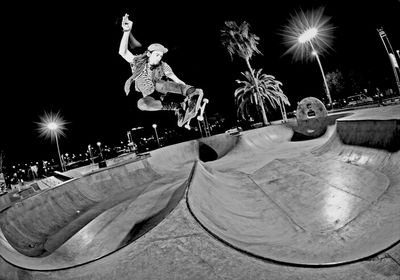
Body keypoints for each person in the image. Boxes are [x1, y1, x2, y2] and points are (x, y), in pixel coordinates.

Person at [119, 13, 201, 126]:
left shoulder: (163, 65)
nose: (159, 58)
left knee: (160, 84)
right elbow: (123, 52)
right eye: (157, 55)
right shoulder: (138, 62)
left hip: (162, 90)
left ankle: (192, 94)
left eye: (161, 56)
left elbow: (176, 79)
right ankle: (176, 107)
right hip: (150, 95)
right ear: (148, 54)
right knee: (142, 105)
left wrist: (188, 92)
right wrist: (127, 31)